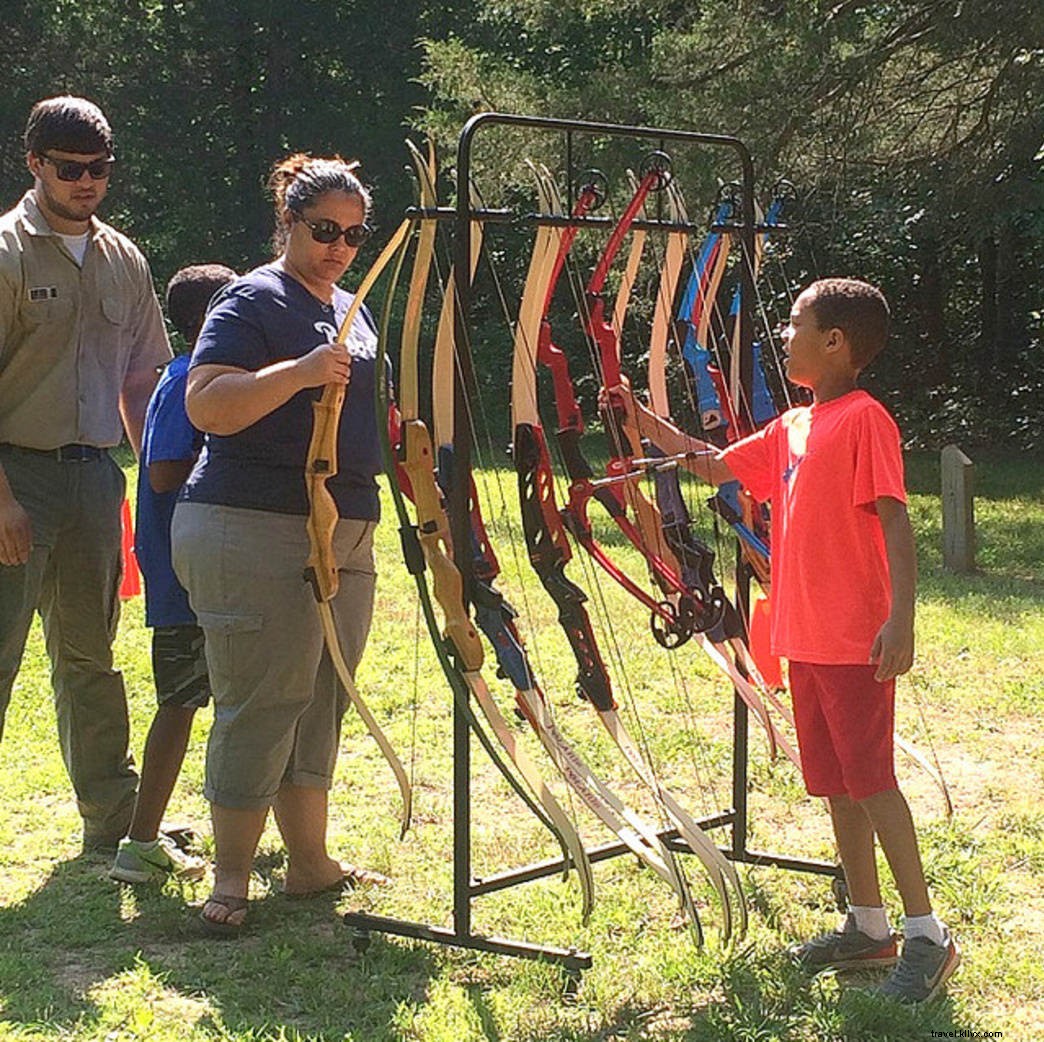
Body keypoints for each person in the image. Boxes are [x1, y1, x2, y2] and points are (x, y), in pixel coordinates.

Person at [613, 278, 959, 1004]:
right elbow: (714, 464)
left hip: (855, 640)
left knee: (872, 782)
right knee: (836, 786)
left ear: (835, 343)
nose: (786, 333)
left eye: (797, 325)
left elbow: (894, 519)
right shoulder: (795, 426)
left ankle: (927, 934)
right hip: (805, 636)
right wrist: (641, 420)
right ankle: (868, 925)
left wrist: (902, 619)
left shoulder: (864, 420)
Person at [171, 153, 389, 937]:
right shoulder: (251, 297)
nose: (339, 246)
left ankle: (310, 862)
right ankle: (232, 877)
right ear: (290, 223)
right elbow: (207, 405)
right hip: (251, 521)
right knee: (261, 698)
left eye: (355, 235)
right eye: (325, 229)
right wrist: (297, 372)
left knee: (323, 692)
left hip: (345, 523)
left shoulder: (353, 309)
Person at [0, 96, 171, 853]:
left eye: (100, 169)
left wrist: (164, 480)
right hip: (14, 475)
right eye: (71, 169)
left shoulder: (123, 257)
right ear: (34, 164)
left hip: (96, 478)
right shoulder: (7, 251)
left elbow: (141, 380)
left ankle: (114, 822)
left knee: (91, 659)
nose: (88, 183)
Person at [109, 264, 237, 884]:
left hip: (198, 573)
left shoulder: (192, 379)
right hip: (184, 579)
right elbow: (161, 472)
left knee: (218, 701)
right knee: (182, 702)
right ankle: (138, 842)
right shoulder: (187, 380)